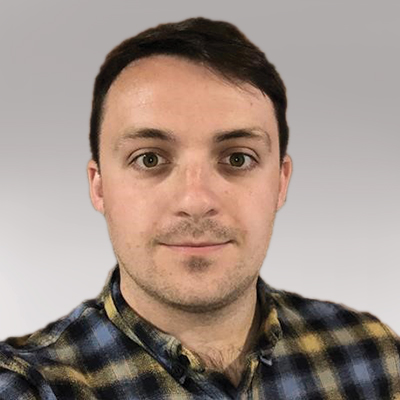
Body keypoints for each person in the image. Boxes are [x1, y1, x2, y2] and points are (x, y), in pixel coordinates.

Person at [0, 17, 399, 400]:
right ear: (99, 186)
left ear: (280, 183)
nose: (196, 201)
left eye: (238, 158)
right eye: (149, 159)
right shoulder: (29, 388)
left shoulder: (373, 355)